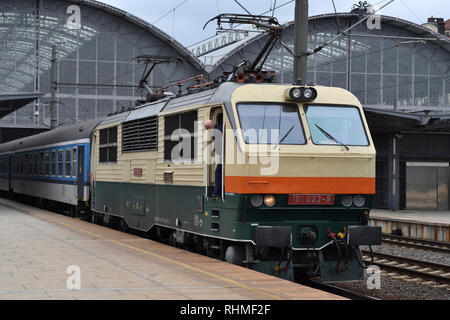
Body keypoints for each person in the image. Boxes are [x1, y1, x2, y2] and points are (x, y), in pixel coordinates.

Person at [204, 119, 222, 199]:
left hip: (225, 156)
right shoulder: (220, 128)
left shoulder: (217, 131)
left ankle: (216, 193)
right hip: (226, 156)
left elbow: (218, 148)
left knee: (217, 173)